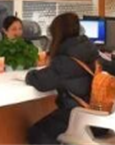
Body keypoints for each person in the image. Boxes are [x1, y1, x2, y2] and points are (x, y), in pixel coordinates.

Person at [25, 13, 99, 145]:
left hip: (79, 116)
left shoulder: (65, 60)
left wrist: (29, 75)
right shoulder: (92, 51)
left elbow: (42, 82)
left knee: (37, 133)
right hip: (99, 116)